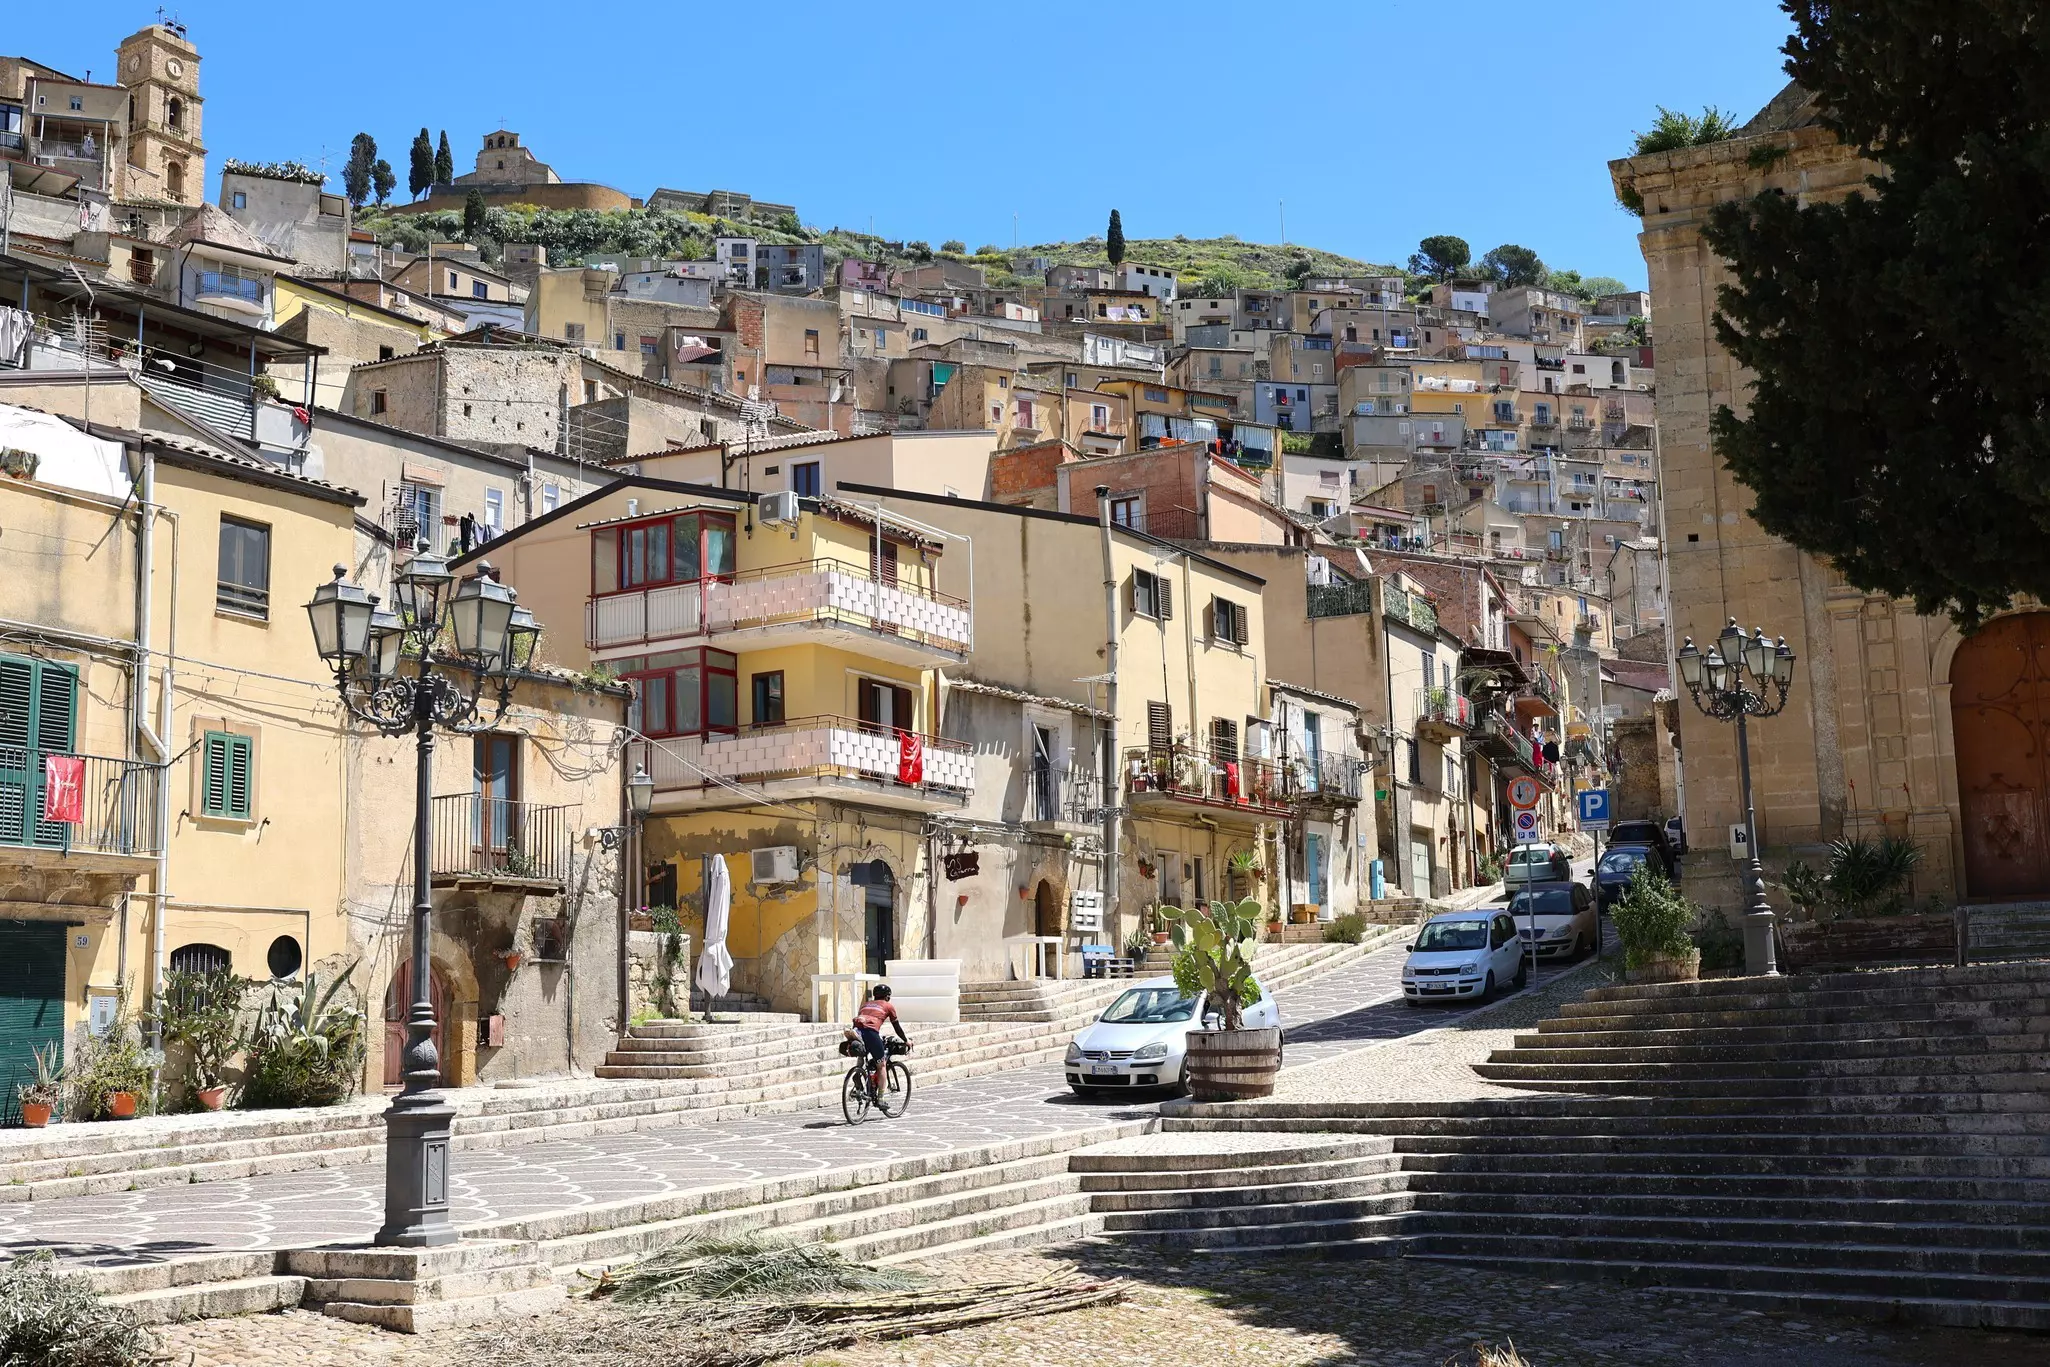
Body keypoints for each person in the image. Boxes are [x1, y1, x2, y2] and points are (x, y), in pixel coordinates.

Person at [848, 985, 910, 1110]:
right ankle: (881, 1099)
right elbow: (896, 1027)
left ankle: (858, 1072)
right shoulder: (888, 1006)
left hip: (857, 1031)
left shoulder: (866, 1004)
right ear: (887, 996)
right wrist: (906, 1040)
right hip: (871, 1033)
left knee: (863, 1054)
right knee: (881, 1065)